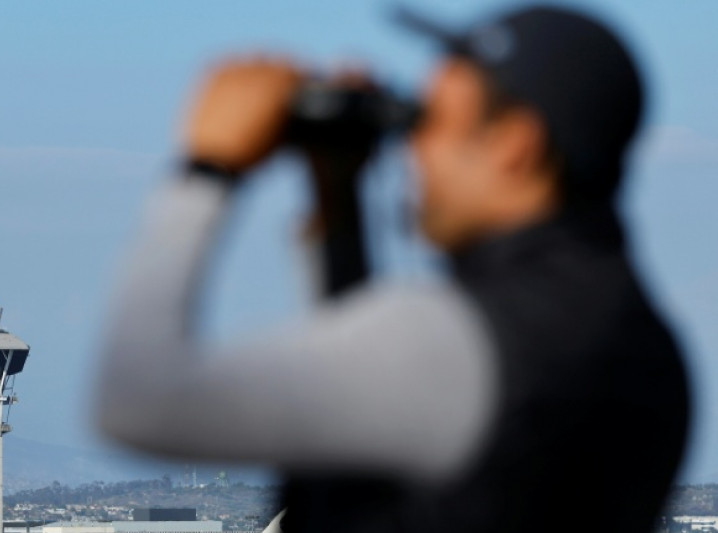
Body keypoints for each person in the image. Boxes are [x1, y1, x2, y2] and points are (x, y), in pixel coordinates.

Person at [95, 5, 689, 533]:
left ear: (515, 145)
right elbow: (369, 423)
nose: (414, 150)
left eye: (432, 122)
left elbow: (138, 401)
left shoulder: (460, 340)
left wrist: (207, 170)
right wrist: (339, 209)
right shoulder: (651, 355)